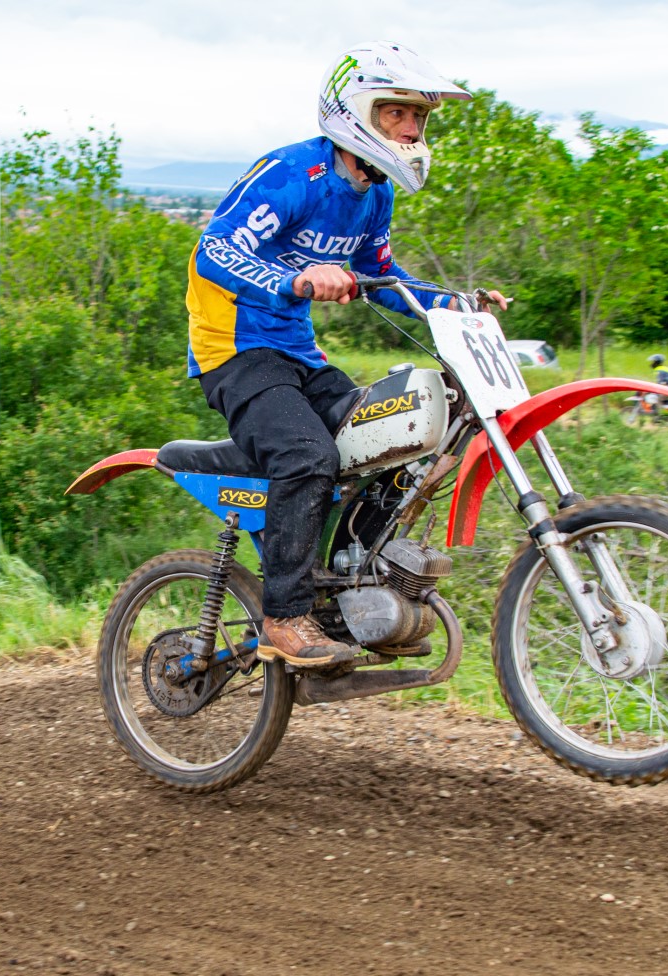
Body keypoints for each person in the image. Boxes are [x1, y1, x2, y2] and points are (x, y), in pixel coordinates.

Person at [185, 41, 504, 667]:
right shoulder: (290, 173)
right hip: (236, 352)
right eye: (396, 113)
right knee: (308, 455)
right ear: (356, 113)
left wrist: (453, 303)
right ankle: (284, 616)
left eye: (419, 116)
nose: (411, 129)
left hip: (299, 355)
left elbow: (383, 277)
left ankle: (346, 588)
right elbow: (213, 251)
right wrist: (294, 279)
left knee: (393, 439)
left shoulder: (375, 194)